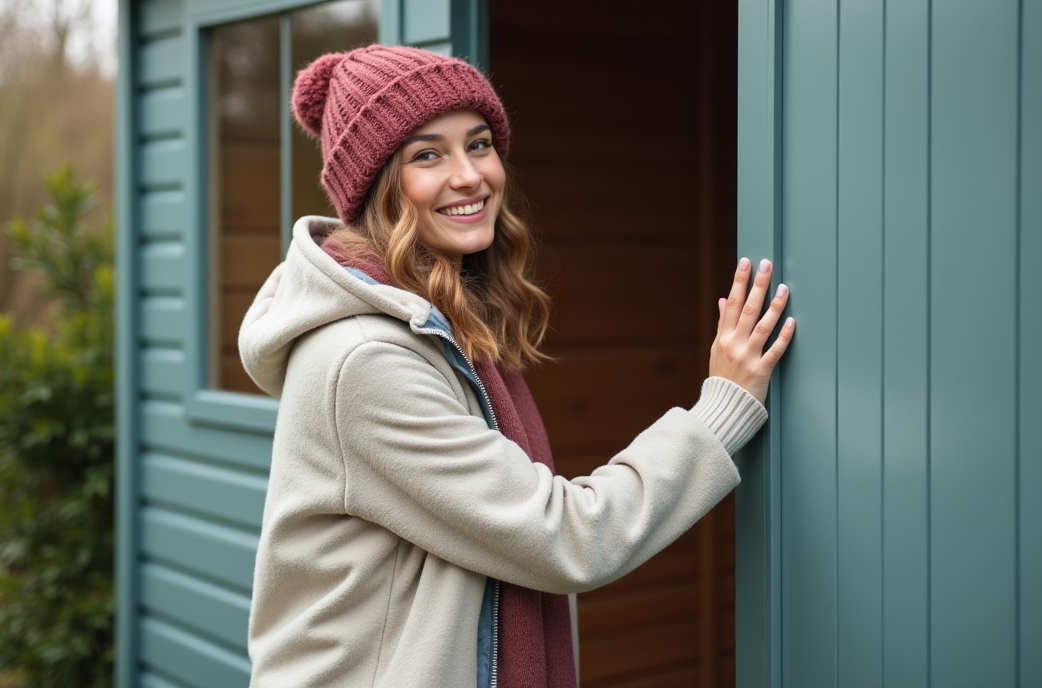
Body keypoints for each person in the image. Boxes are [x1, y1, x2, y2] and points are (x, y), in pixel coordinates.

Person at [239, 44, 795, 688]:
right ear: (377, 186)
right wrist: (721, 408)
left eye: (478, 144)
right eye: (427, 154)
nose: (470, 174)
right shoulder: (366, 360)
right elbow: (566, 536)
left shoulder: (446, 324)